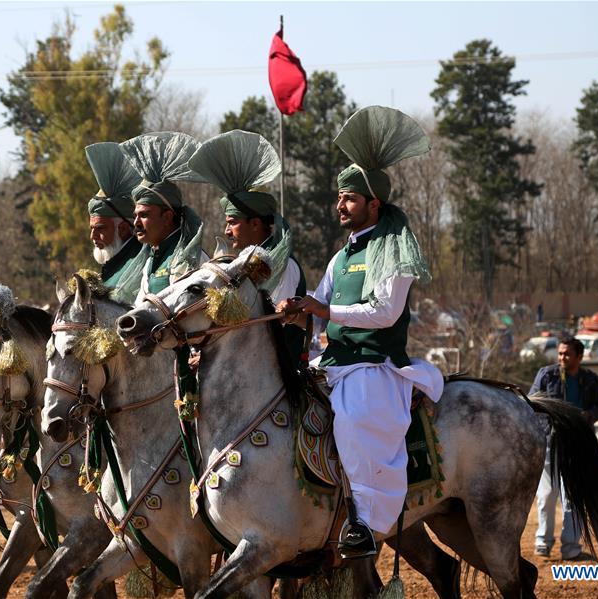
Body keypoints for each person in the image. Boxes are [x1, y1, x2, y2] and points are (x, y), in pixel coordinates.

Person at [281, 106, 444, 559]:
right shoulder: (340, 256)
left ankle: (366, 525)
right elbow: (319, 301)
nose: (340, 205)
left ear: (374, 204)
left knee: (352, 424)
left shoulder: (395, 253)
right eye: (339, 197)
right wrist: (296, 311)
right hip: (334, 364)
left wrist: (323, 308)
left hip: (375, 368)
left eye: (350, 198)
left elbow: (385, 313)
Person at [188, 129, 309, 369]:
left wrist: (216, 354)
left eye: (232, 222)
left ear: (255, 224)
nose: (226, 230)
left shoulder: (283, 266)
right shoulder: (240, 263)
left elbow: (268, 324)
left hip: (276, 376)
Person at [529, 336, 598, 559]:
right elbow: (531, 402)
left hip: (578, 445)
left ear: (579, 357)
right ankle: (542, 543)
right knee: (546, 495)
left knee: (572, 499)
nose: (562, 357)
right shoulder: (547, 375)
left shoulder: (591, 379)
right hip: (550, 441)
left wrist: (590, 415)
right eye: (560, 353)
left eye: (567, 354)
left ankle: (571, 548)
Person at [116, 131, 208, 302]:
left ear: (166, 217)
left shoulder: (189, 257)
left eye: (143, 215)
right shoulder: (151, 257)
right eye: (135, 216)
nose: (136, 223)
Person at [85, 141, 144, 292]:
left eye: (100, 228)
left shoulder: (141, 261)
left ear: (123, 228)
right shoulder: (115, 262)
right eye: (91, 229)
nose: (93, 236)